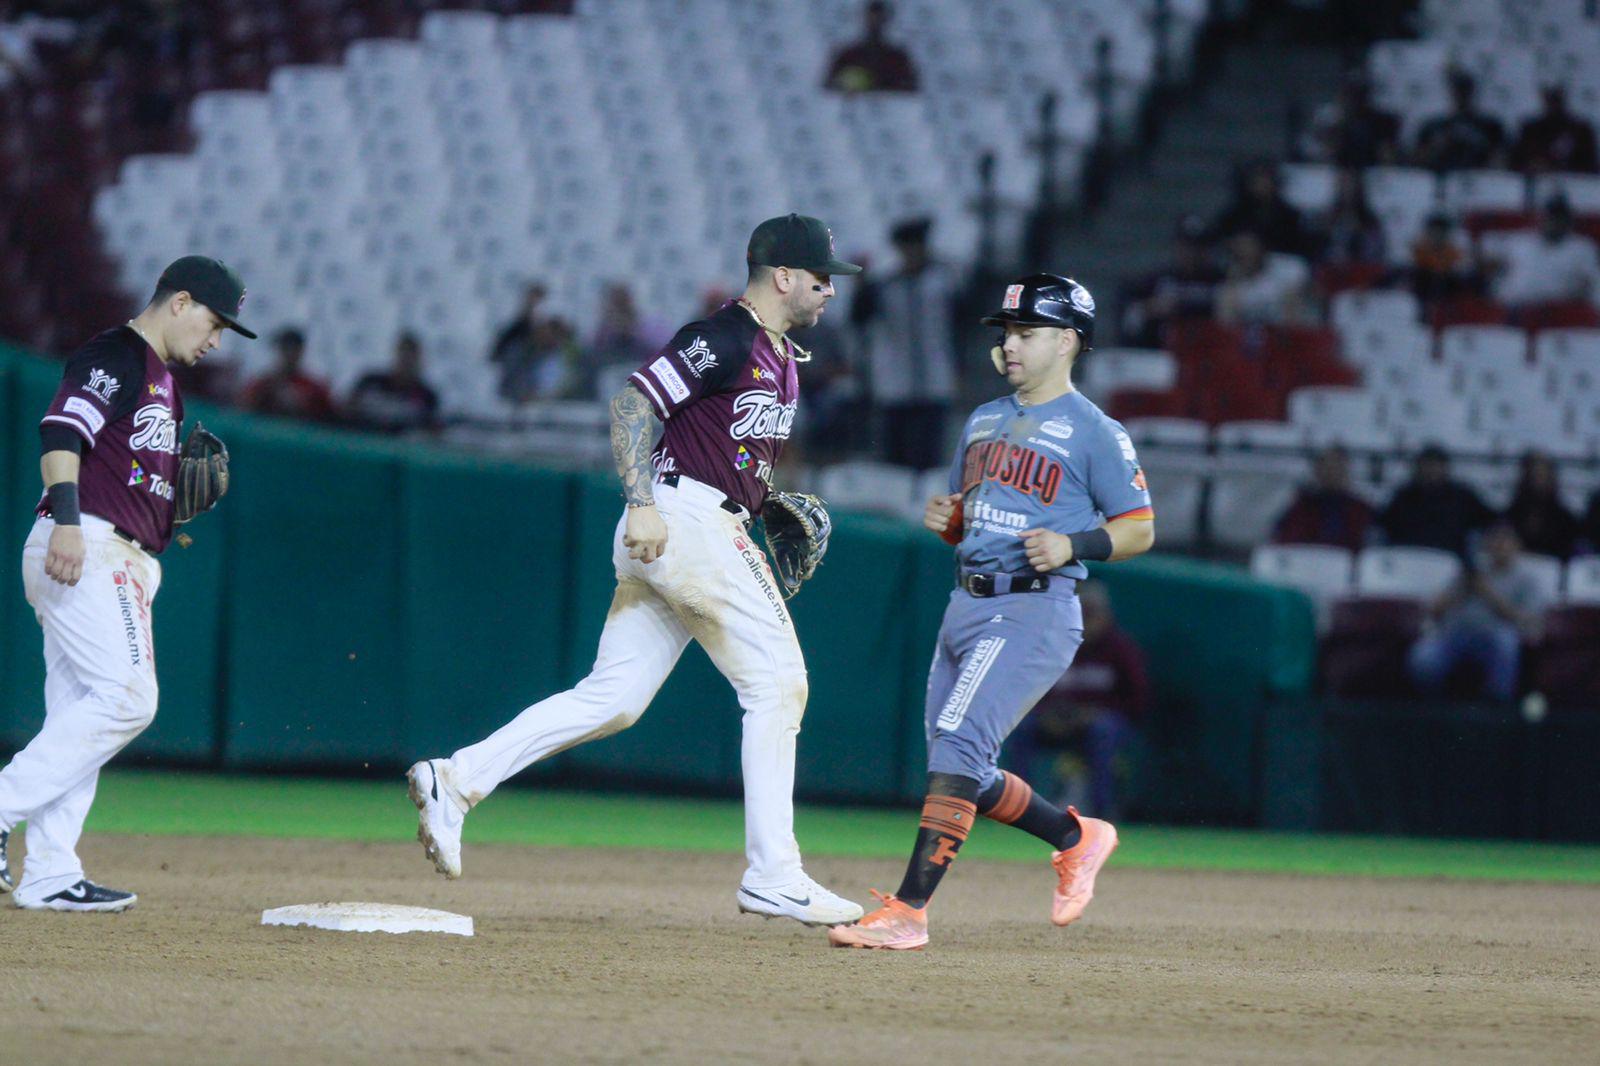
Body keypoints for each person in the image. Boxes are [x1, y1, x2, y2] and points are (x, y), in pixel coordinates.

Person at [406, 214, 867, 927]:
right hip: (680, 521)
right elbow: (631, 403)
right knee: (778, 683)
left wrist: (758, 499)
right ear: (783, 276)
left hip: (702, 523)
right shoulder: (724, 336)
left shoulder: (778, 356)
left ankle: (457, 780)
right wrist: (640, 500)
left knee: (613, 698)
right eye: (820, 277)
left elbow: (721, 442)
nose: (830, 291)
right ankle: (775, 873)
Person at [828, 273, 1155, 951]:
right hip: (965, 603)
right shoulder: (982, 419)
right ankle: (1076, 836)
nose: (1010, 344)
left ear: (1068, 341)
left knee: (957, 747)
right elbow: (969, 519)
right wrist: (950, 522)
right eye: (1006, 332)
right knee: (962, 768)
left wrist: (1076, 542)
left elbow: (1140, 529)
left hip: (1034, 609)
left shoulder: (1095, 431)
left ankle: (908, 913)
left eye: (1026, 332)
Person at [0, 255, 251, 911]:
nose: (217, 339)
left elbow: (129, 471)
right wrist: (65, 517)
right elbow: (61, 430)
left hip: (118, 550)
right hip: (86, 547)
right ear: (180, 302)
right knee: (129, 697)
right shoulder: (118, 356)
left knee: (77, 714)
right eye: (215, 321)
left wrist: (171, 507)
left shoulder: (165, 383)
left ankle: (50, 871)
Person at [1008, 581, 1150, 819]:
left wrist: (1095, 713)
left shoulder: (1121, 648)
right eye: (1081, 612)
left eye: (1092, 613)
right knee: (1024, 727)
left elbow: (1138, 701)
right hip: (1058, 721)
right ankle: (1017, 808)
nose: (1087, 620)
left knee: (1102, 730)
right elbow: (1031, 688)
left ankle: (1101, 813)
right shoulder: (1056, 645)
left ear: (1105, 615)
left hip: (1103, 724)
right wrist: (1046, 714)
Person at [855, 216, 959, 468]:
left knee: (929, 454)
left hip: (935, 380)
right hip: (895, 383)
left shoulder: (943, 283)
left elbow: (960, 326)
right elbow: (859, 319)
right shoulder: (885, 286)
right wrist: (861, 286)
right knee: (895, 457)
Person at [1408, 522, 1550, 702]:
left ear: (1517, 546)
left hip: (1496, 633)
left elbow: (1528, 621)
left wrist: (1488, 593)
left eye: (1505, 540)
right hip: (1456, 632)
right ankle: (1433, 708)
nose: (1499, 545)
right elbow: (1435, 610)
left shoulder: (1526, 579)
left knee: (1506, 644)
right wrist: (1463, 586)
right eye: (1495, 540)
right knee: (1423, 657)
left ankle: (1497, 708)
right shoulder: (1470, 572)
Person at [1118, 214, 1224, 347]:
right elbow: (1129, 313)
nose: (1191, 253)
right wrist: (1148, 308)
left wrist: (1183, 305)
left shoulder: (1220, 280)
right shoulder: (1159, 279)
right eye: (1186, 246)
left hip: (1207, 352)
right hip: (1163, 353)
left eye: (1198, 247)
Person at [1377, 444, 1495, 558]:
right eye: (1427, 465)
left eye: (1436, 465)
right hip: (1409, 561)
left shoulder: (1462, 496)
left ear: (1445, 468)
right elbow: (1383, 525)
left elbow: (1490, 521)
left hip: (1452, 564)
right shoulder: (1402, 497)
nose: (1431, 470)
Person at [1486, 196, 1600, 310]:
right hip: (1512, 309)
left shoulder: (1582, 248)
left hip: (1557, 313)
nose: (1554, 222)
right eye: (1550, 218)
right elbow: (1493, 267)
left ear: (1568, 221)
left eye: (1559, 218)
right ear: (1542, 218)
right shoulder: (1519, 242)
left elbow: (1590, 284)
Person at [1270, 444, 1375, 552]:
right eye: (1328, 467)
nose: (1333, 473)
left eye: (1338, 467)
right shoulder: (1302, 508)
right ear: (1317, 471)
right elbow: (1287, 542)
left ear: (1347, 470)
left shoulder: (1361, 509)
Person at [1208, 159, 1315, 258]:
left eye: (1266, 179)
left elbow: (1298, 244)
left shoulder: (1290, 215)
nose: (1262, 184)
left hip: (1281, 261)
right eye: (1257, 180)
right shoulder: (1235, 214)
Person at [344, 332, 441, 434]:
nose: (406, 362)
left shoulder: (427, 397)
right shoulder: (370, 383)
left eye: (411, 357)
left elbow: (431, 431)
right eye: (403, 355)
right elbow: (348, 409)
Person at [1301, 70, 1401, 168]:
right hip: (1333, 173)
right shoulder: (1330, 121)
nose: (1354, 100)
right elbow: (1318, 154)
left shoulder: (1382, 123)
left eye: (1359, 95)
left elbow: (1388, 157)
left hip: (1373, 172)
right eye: (1350, 94)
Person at [1412, 70, 1506, 172]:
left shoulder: (1491, 127)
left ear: (1473, 93)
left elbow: (1501, 161)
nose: (1461, 96)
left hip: (1479, 177)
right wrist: (1438, 146)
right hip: (1440, 176)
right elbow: (1417, 161)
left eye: (1465, 91)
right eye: (1458, 92)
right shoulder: (1433, 126)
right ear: (1451, 93)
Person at [237, 327, 335, 422]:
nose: (289, 354)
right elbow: (244, 410)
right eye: (286, 349)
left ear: (301, 351)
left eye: (294, 349)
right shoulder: (262, 383)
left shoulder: (313, 388)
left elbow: (329, 417)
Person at [1215, 229, 1311, 326]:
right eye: (1238, 248)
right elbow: (1226, 322)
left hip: (1293, 332)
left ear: (1261, 247)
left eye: (1248, 246)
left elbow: (1299, 307)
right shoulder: (1232, 281)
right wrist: (1231, 284)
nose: (1244, 251)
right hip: (1251, 336)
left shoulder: (1291, 267)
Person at [823, 0, 919, 94]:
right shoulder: (848, 54)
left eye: (879, 18)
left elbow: (910, 87)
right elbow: (829, 85)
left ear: (886, 20)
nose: (875, 22)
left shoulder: (897, 57)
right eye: (871, 17)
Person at [1503, 450, 1578, 560]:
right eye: (1534, 474)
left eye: (1542, 474)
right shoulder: (1512, 515)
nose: (1538, 479)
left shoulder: (1564, 519)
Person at [1510, 84, 1598, 175]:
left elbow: (1590, 166)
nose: (1554, 103)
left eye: (1557, 97)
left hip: (1575, 182)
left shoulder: (1581, 131)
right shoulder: (1530, 130)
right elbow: (1515, 163)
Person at [1408, 211, 1482, 307]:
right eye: (1434, 232)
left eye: (1441, 232)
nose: (1437, 236)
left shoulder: (1454, 254)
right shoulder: (1419, 252)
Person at [1318, 168, 1387, 267]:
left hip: (1361, 267)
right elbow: (1322, 250)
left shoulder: (1370, 220)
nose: (1347, 190)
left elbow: (1375, 252)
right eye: (1343, 186)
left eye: (1351, 186)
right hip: (1334, 268)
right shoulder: (1330, 217)